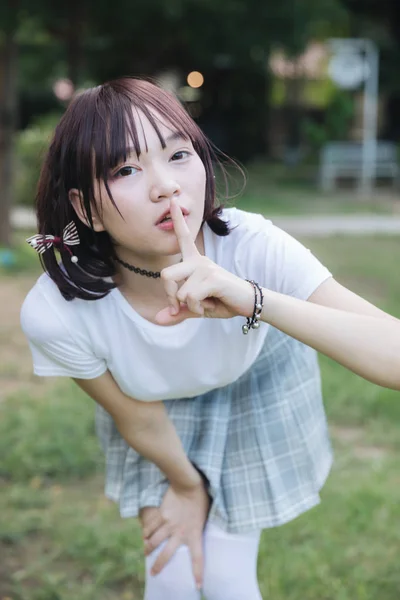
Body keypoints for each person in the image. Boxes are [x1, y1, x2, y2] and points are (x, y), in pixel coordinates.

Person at [20, 77, 400, 600]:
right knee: (174, 576)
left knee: (225, 578)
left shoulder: (251, 245)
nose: (166, 186)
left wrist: (251, 298)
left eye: (178, 155)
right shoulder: (57, 312)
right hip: (152, 410)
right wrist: (185, 484)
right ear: (85, 209)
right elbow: (135, 415)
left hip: (253, 384)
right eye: (126, 169)